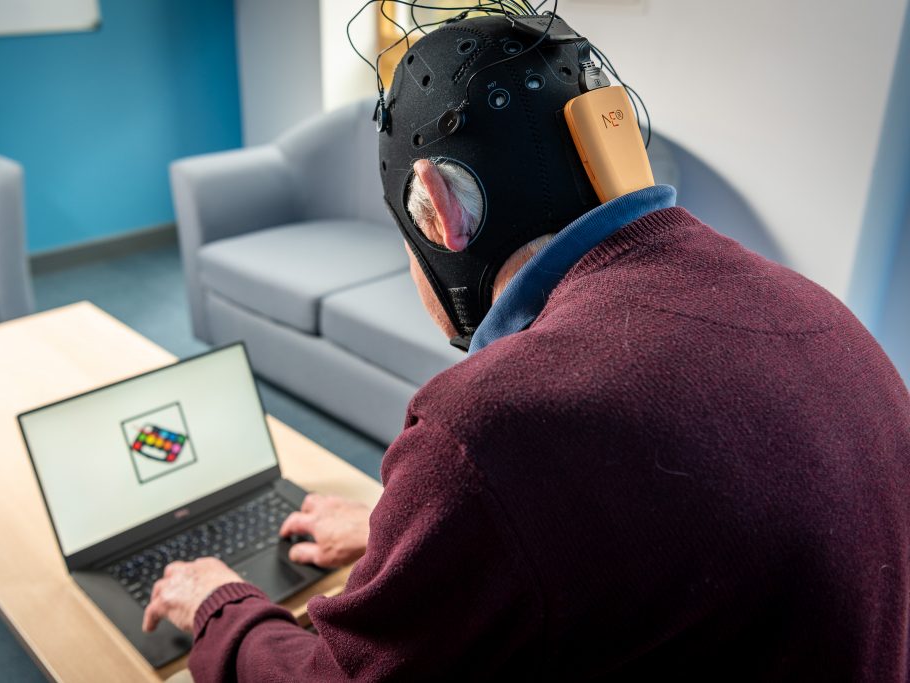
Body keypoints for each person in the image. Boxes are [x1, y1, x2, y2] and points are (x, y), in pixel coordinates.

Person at [143, 14, 910, 681]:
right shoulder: (827, 317)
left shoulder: (488, 425)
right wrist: (403, 536)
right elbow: (639, 528)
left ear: (438, 208)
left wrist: (217, 605)